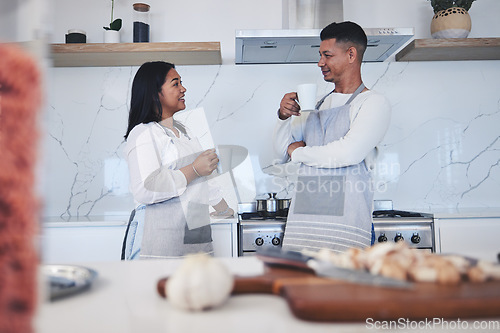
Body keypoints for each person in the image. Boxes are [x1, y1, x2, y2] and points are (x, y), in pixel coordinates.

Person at [273, 21, 391, 253]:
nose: (320, 63)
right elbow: (280, 153)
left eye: (327, 55)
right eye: (320, 55)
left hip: (347, 225)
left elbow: (348, 153)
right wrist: (282, 117)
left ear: (351, 54)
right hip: (306, 225)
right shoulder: (315, 105)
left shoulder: (373, 103)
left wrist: (299, 152)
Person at [123, 61, 233, 259]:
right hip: (157, 242)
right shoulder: (143, 133)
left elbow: (204, 183)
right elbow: (146, 188)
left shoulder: (185, 133)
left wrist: (224, 209)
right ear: (154, 92)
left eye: (181, 82)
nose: (183, 88)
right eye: (175, 84)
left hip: (195, 240)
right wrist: (194, 169)